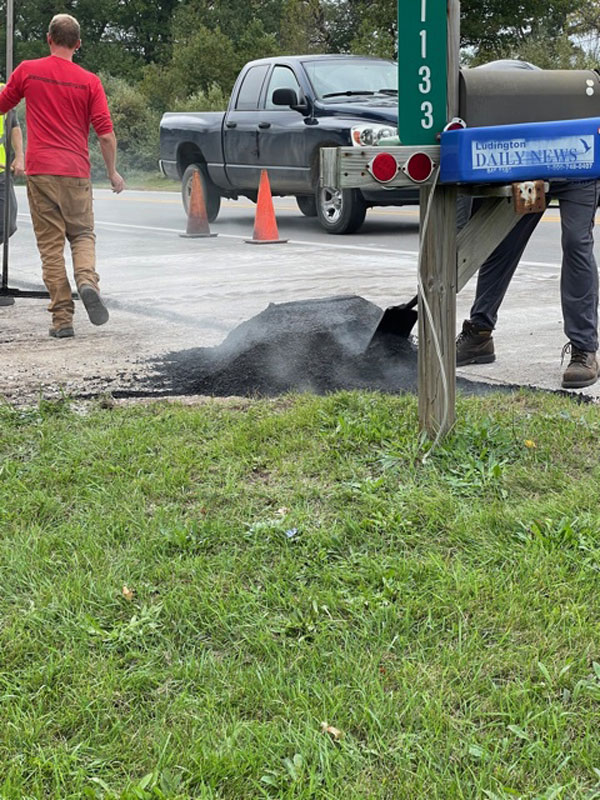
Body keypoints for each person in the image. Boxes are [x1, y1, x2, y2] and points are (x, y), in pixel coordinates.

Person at [0, 13, 124, 337]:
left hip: (40, 172)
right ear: (78, 44)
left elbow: (2, 105)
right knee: (82, 235)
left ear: (48, 38)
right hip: (76, 172)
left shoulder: (28, 71)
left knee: (51, 248)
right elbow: (106, 135)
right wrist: (112, 173)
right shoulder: (90, 82)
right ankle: (86, 280)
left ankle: (62, 321)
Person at [0, 98, 25, 307]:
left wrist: (20, 156)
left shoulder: (2, 91)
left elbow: (14, 125)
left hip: (0, 174)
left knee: (6, 223)